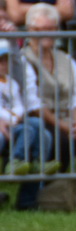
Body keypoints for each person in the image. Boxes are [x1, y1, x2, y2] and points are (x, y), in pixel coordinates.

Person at [18, 2, 76, 179]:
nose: (47, 33)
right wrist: (63, 125)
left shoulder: (66, 58)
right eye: (41, 29)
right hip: (40, 118)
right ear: (30, 30)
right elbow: (33, 102)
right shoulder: (23, 59)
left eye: (52, 28)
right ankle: (50, 192)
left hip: (67, 117)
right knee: (60, 138)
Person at [0, 43, 49, 182]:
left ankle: (37, 163)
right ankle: (15, 160)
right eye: (0, 61)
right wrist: (10, 117)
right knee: (28, 130)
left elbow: (18, 105)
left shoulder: (12, 83)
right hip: (6, 122)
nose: (3, 65)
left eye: (6, 61)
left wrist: (15, 116)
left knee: (41, 128)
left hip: (13, 121)